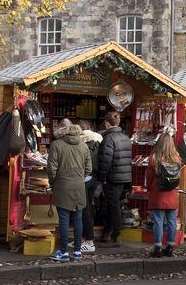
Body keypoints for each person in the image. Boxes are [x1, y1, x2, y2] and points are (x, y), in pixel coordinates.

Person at [47, 120, 91, 262]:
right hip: (79, 187)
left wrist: (53, 182)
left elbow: (51, 168)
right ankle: (77, 252)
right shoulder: (84, 146)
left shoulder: (56, 145)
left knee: (64, 220)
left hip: (62, 186)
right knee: (78, 219)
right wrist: (79, 177)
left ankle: (64, 252)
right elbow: (89, 168)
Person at [96, 111, 132, 248]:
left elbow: (105, 160)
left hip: (112, 177)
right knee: (110, 204)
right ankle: (107, 233)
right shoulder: (125, 137)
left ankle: (116, 235)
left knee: (113, 206)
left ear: (106, 123)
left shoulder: (108, 139)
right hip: (123, 176)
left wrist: (102, 178)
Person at [145, 132, 182, 258]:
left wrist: (148, 188)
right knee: (172, 220)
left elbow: (149, 177)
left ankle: (157, 247)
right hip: (171, 192)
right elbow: (179, 177)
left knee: (158, 221)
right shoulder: (176, 158)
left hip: (158, 192)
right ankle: (170, 246)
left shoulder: (155, 158)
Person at [78, 120, 102, 252]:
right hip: (94, 178)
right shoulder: (97, 142)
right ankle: (83, 238)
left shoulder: (82, 144)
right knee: (89, 208)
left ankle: (89, 241)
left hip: (85, 178)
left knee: (84, 209)